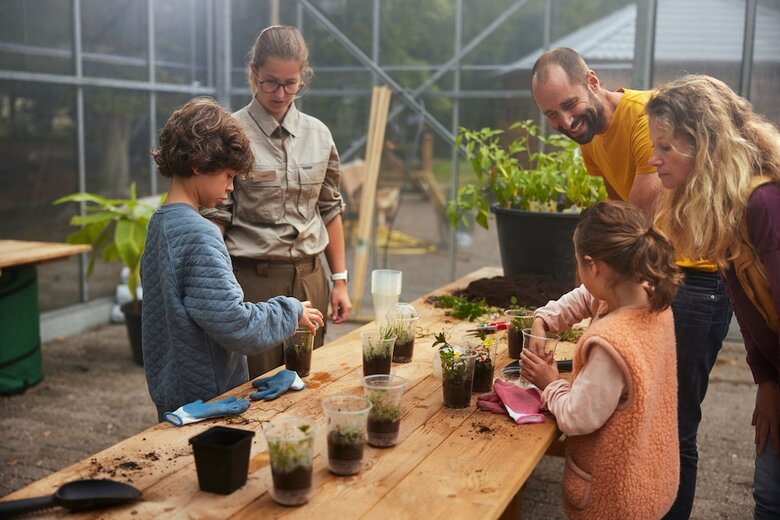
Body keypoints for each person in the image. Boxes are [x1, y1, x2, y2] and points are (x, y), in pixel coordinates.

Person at [531, 48, 734, 519]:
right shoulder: (591, 139)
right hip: (654, 276)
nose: (563, 120)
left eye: (568, 104)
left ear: (593, 82)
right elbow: (614, 229)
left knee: (674, 424)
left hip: (693, 280)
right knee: (642, 415)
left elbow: (638, 224)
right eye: (550, 114)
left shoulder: (646, 118)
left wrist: (598, 292)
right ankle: (636, 497)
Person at [645, 74, 780, 519]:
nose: (654, 158)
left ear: (703, 143)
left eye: (665, 146)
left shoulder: (764, 206)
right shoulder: (724, 212)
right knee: (768, 498)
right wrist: (766, 380)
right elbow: (751, 311)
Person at [142, 97, 325, 421]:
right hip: (210, 400)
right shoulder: (200, 234)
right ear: (199, 164)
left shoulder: (160, 224)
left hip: (173, 395)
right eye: (227, 176)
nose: (230, 188)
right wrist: (291, 309)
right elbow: (235, 324)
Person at [201, 25, 351, 379]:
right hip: (254, 284)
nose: (280, 93)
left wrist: (340, 281)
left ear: (303, 78)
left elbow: (330, 208)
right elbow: (214, 217)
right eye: (270, 82)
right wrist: (217, 289)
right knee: (256, 389)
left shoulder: (319, 135)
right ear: (253, 72)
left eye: (290, 83)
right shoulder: (231, 133)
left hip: (311, 278)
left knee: (309, 384)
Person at [521, 200, 682, 519]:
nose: (579, 273)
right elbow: (587, 296)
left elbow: (577, 418)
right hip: (651, 473)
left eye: (579, 263)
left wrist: (549, 384)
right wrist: (545, 320)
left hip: (614, 497)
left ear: (594, 267)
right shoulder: (648, 297)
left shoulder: (611, 344)